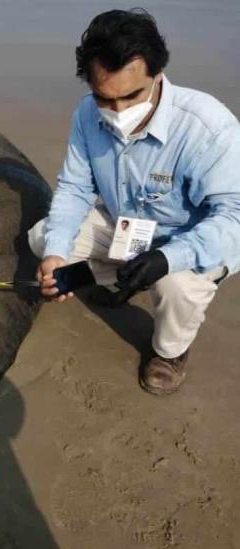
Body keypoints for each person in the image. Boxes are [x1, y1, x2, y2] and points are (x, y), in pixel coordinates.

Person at [28, 9, 240, 395]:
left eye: (131, 96)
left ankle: (169, 352)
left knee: (177, 288)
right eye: (104, 99)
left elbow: (234, 219)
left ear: (157, 75)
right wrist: (57, 254)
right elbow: (75, 188)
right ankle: (115, 277)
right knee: (44, 238)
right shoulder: (86, 114)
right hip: (125, 224)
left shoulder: (209, 128)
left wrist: (166, 258)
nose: (119, 113)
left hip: (187, 237)